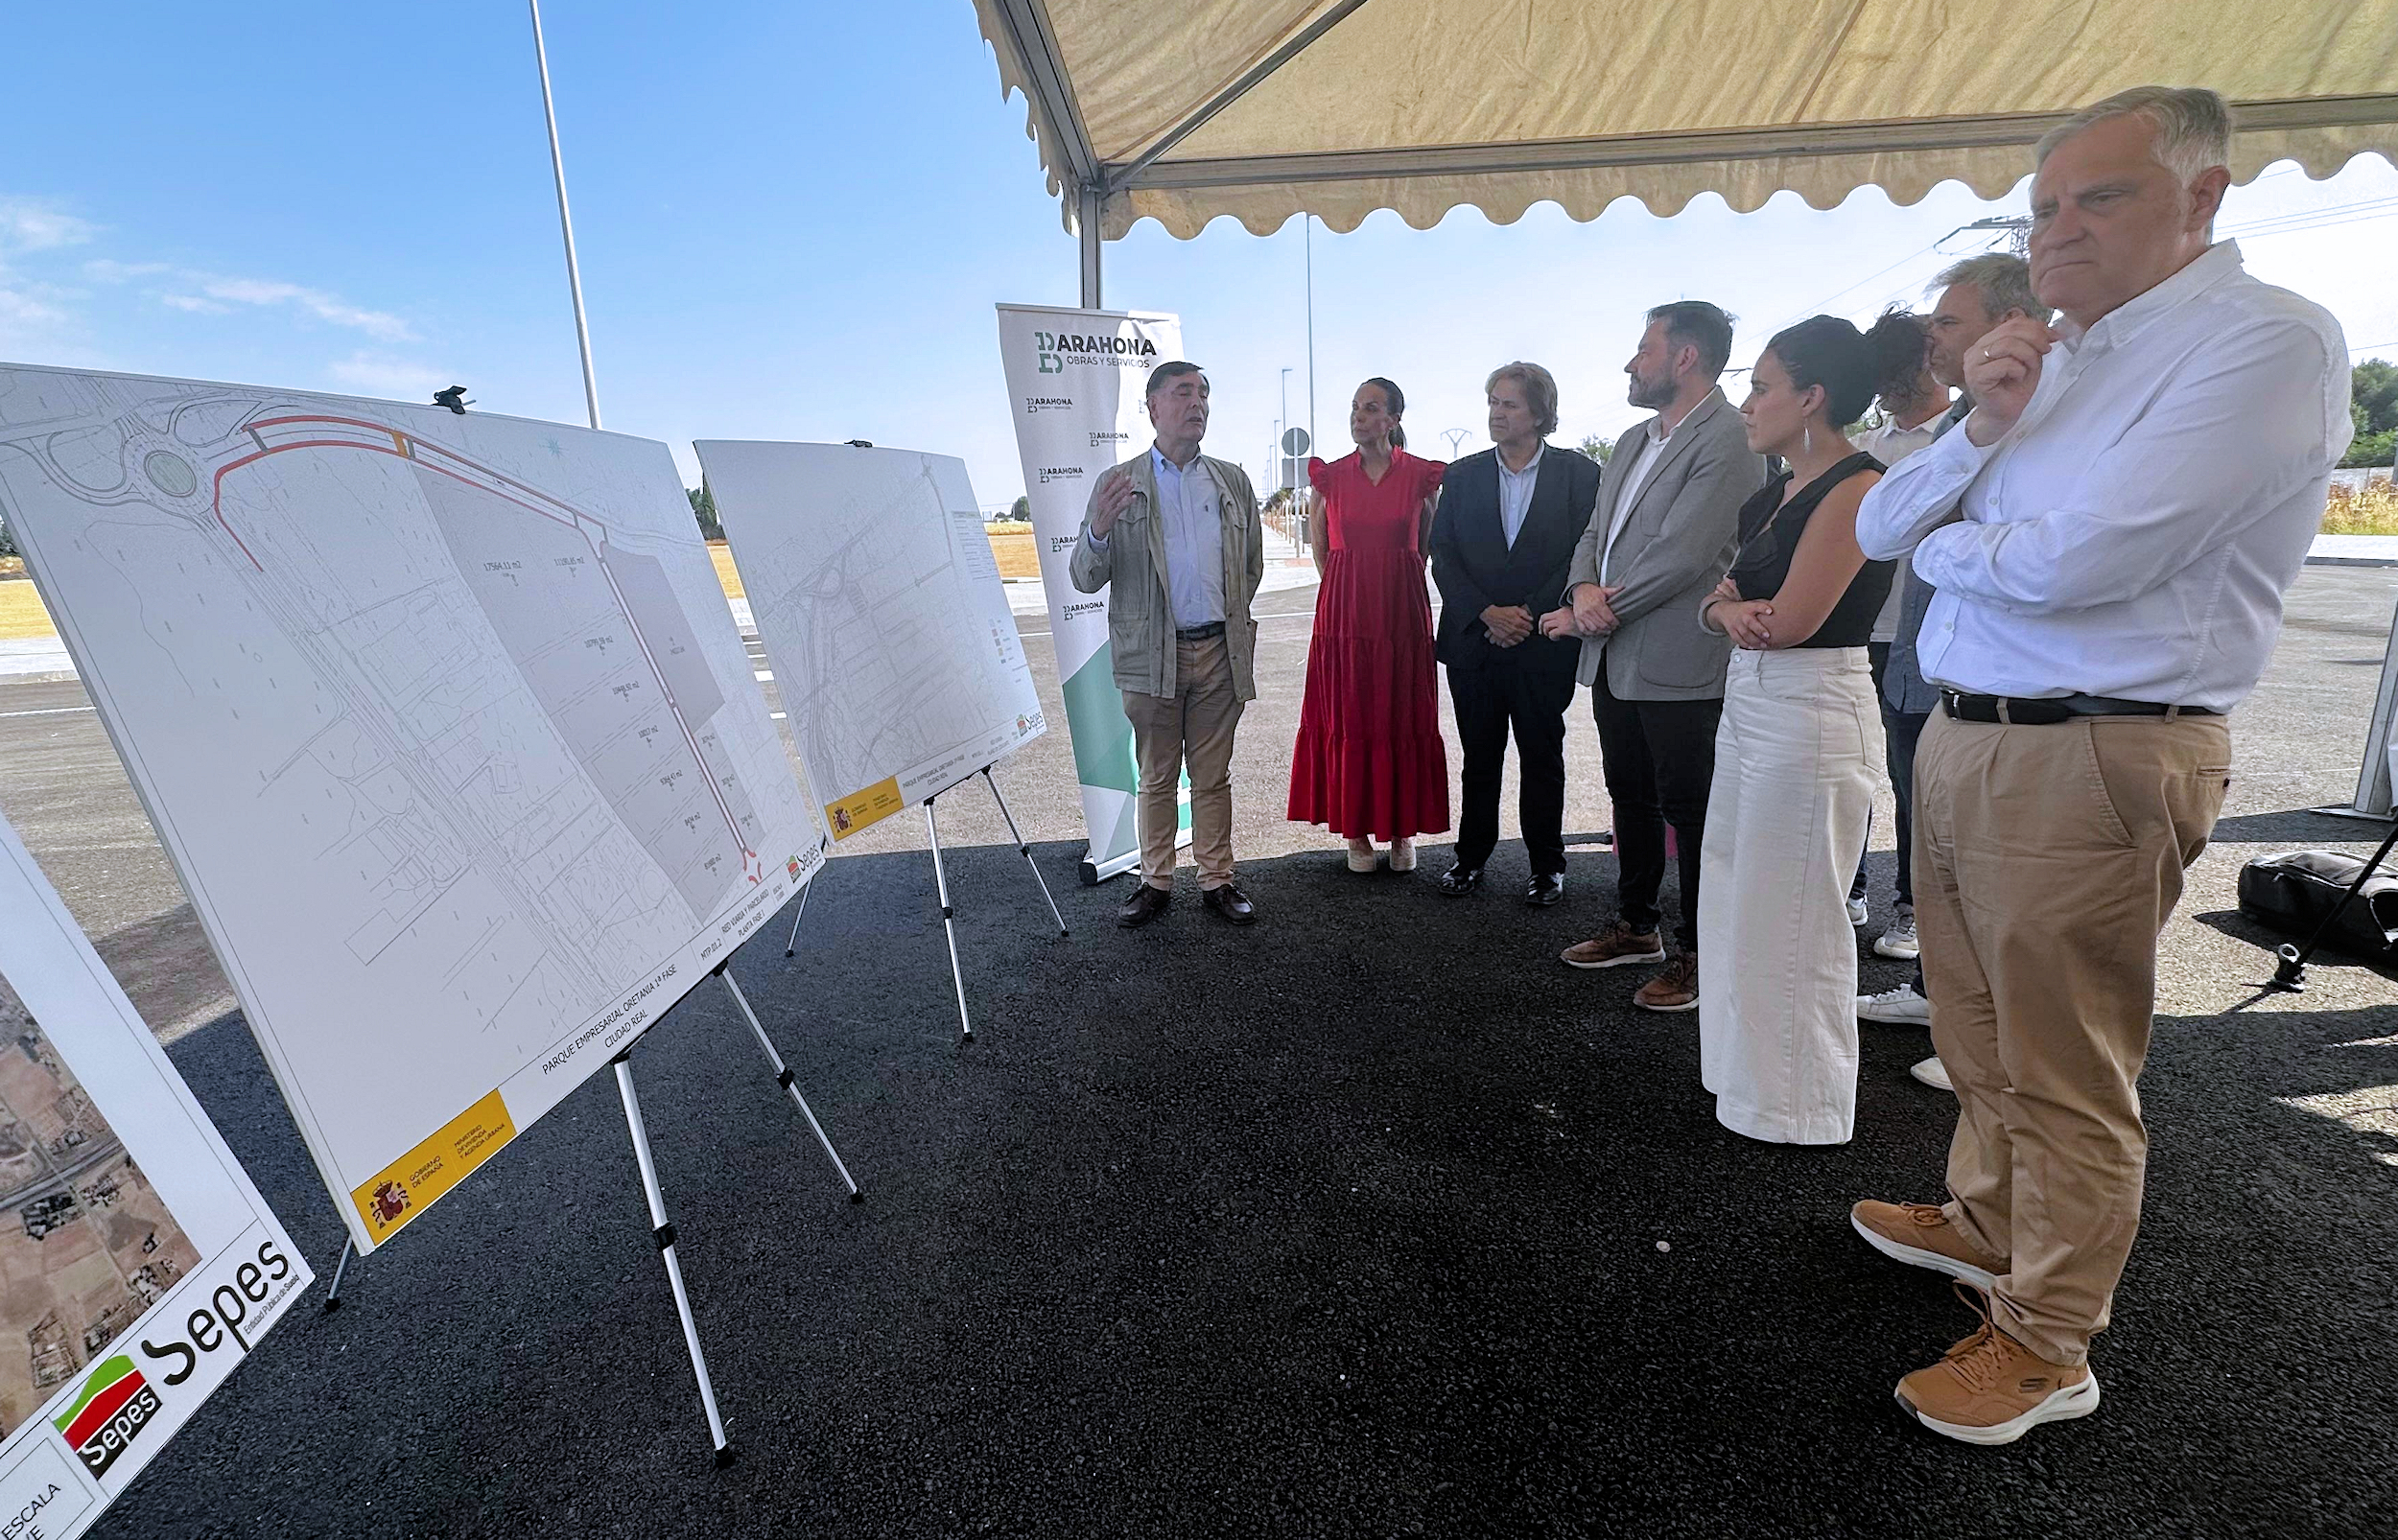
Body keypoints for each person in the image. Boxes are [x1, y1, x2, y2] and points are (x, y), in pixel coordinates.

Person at [1851, 86, 2350, 1446]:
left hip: (2098, 745)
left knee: (2064, 1063)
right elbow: (1885, 521)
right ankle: (1986, 1223)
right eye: (2044, 206)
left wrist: (1954, 544)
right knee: (1975, 1027)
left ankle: (2047, 1338)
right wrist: (1978, 428)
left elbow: (2087, 563)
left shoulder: (2264, 342)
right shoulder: (2055, 357)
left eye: (2100, 197)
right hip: (1972, 732)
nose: (2058, 231)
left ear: (2203, 196)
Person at [1693, 315, 1907, 1144]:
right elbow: (1722, 605)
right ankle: (1746, 1083)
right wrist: (1731, 612)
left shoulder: (1857, 486)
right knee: (1736, 888)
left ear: (1812, 397)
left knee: (1794, 909)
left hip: (1812, 705)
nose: (1748, 405)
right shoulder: (1772, 493)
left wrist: (1735, 612)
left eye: (1761, 387)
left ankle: (1799, 1108)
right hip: (1755, 699)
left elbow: (1791, 620)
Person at [1854, 256, 2049, 1093]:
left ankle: (1995, 1039)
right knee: (1932, 836)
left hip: (2014, 694)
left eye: (1947, 322)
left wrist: (1941, 548)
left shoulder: (2059, 415)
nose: (1930, 338)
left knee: (1992, 867)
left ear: (2009, 327)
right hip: (1927, 664)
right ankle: (1941, 998)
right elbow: (1882, 531)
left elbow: (2050, 561)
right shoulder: (1962, 426)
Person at [1542, 302, 1760, 1012]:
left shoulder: (1731, 437)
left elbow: (1686, 553)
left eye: (1644, 350)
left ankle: (1700, 952)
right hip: (1615, 656)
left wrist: (1595, 611)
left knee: (1691, 810)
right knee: (1629, 796)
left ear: (1685, 357)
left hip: (1680, 659)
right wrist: (1582, 589)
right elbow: (1595, 533)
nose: (1631, 364)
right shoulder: (1635, 439)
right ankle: (1638, 926)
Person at [1070, 361, 1267, 928]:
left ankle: (1217, 879)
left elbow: (1250, 567)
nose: (1197, 403)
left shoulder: (1231, 482)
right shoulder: (1119, 483)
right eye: (1183, 393)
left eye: (1203, 394)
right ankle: (1155, 882)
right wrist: (1098, 530)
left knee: (1212, 774)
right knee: (1157, 774)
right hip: (1151, 656)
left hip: (1220, 653)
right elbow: (1084, 577)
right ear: (1153, 407)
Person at [1429, 363, 1599, 904]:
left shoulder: (1579, 475)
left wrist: (1526, 612)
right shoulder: (1462, 476)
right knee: (1479, 758)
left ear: (1540, 413)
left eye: (1510, 404)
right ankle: (1469, 858)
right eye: (1493, 402)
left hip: (1544, 640)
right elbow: (1443, 555)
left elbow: (1583, 551)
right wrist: (1487, 612)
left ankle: (1547, 866)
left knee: (1542, 756)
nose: (1497, 413)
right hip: (1475, 642)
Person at [1288, 378, 1449, 870]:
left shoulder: (1420, 477)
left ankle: (1402, 832)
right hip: (1345, 613)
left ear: (1394, 420)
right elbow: (1322, 548)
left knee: (1402, 710)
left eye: (1372, 408)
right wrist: (1348, 589)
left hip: (1402, 611)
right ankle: (1356, 833)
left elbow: (1424, 546)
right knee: (1352, 712)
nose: (1359, 416)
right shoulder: (1330, 478)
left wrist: (1393, 578)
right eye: (1356, 407)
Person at [1843, 311, 1946, 950]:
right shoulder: (1867, 449)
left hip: (1926, 640)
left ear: (1925, 362)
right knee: (1851, 771)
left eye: (1890, 374)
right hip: (1860, 635)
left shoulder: (1960, 438)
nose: (1881, 389)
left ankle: (1911, 908)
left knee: (1915, 781)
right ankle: (1850, 889)